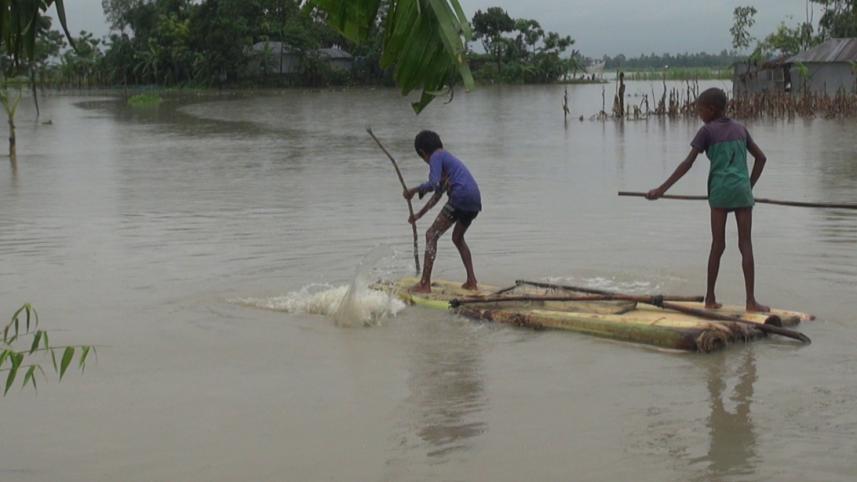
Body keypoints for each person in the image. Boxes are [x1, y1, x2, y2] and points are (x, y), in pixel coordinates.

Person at [646, 88, 769, 312]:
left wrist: (661, 189)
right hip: (742, 192)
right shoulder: (741, 129)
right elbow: (761, 159)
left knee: (718, 245)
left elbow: (687, 164)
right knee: (745, 244)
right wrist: (748, 186)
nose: (699, 114)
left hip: (720, 193)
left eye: (700, 110)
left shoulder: (707, 132)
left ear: (711, 109)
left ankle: (710, 298)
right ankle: (751, 301)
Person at [403, 131, 481, 294]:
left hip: (460, 197)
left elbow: (432, 184)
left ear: (422, 153)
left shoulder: (436, 157)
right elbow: (438, 193)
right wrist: (419, 214)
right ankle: (472, 281)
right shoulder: (447, 160)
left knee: (431, 235)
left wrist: (415, 190)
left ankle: (424, 284)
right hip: (474, 200)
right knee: (457, 238)